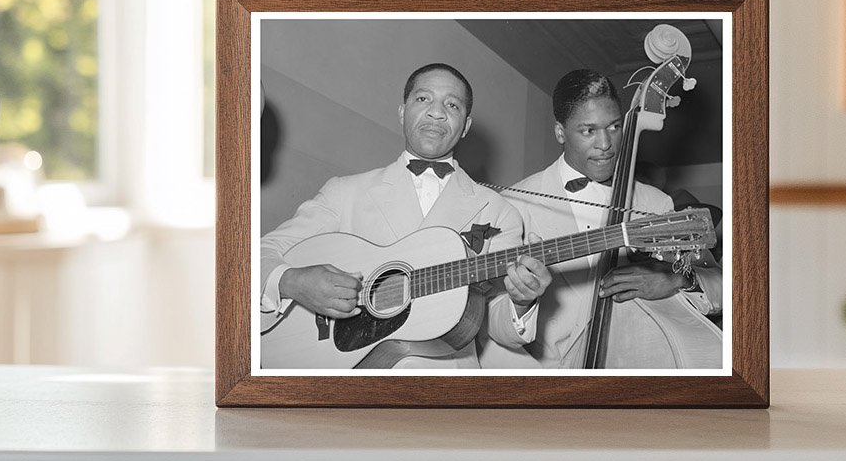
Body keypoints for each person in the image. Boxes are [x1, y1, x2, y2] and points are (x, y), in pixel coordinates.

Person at [259, 62, 551, 369]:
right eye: (423, 99)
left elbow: (495, 323)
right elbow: (258, 255)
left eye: (452, 105)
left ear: (465, 125)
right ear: (402, 112)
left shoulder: (498, 210)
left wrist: (522, 301)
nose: (437, 112)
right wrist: (292, 281)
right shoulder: (345, 192)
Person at [509, 69, 722, 369]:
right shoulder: (516, 204)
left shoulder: (656, 202)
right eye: (588, 131)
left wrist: (675, 280)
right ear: (560, 132)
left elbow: (719, 285)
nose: (606, 144)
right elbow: (495, 320)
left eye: (614, 127)